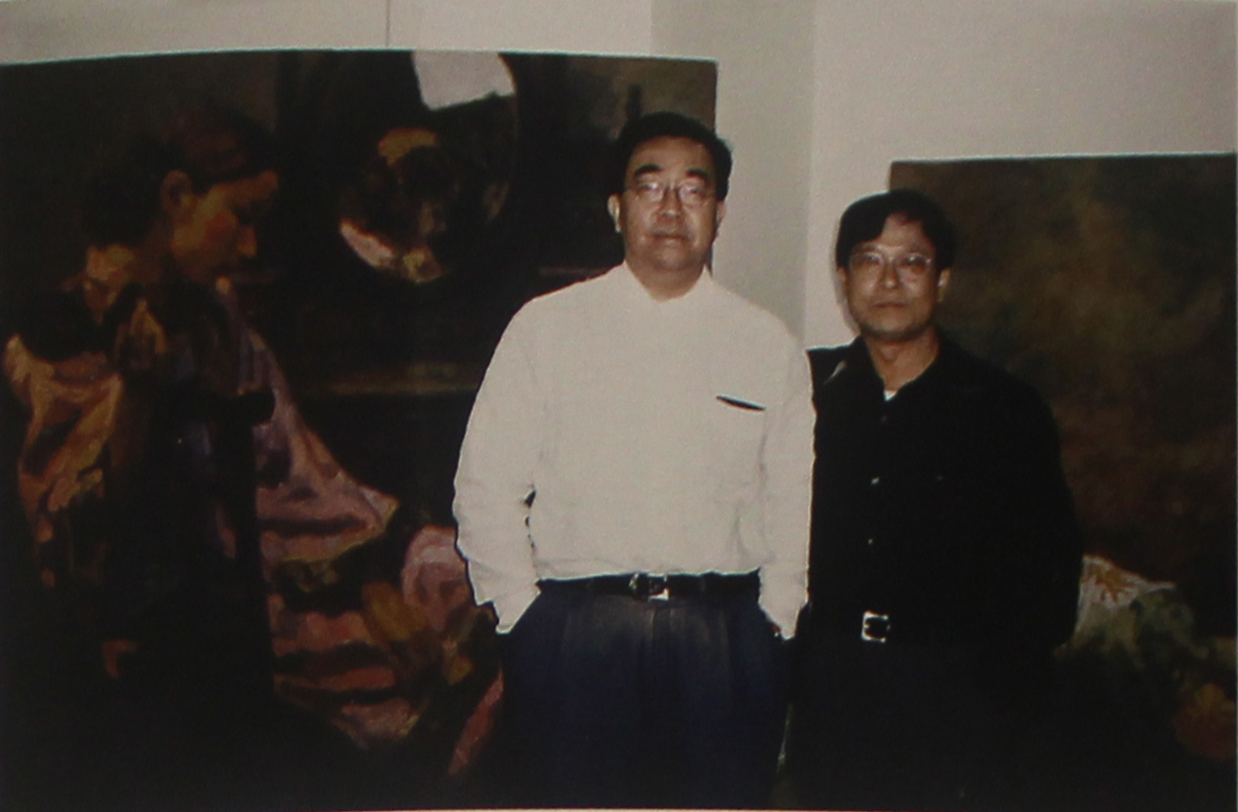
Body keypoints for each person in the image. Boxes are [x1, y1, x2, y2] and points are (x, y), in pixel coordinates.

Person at [453, 111, 814, 808]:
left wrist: (777, 619)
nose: (671, 208)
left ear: (719, 212)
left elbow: (791, 494)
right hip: (578, 635)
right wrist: (523, 615)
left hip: (723, 639)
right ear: (617, 209)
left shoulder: (767, 344)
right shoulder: (546, 328)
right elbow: (485, 487)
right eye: (650, 188)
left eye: (693, 189)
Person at [786, 189, 1083, 811]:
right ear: (843, 280)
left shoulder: (1004, 409)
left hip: (954, 697)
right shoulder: (805, 393)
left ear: (942, 280)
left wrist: (993, 702)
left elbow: (1048, 579)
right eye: (870, 260)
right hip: (830, 689)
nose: (889, 281)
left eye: (912, 262)